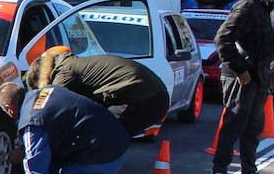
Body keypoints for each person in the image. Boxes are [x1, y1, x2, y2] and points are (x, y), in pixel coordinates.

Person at [0, 82, 131, 174]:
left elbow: (35, 170)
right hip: (115, 141)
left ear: (9, 110)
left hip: (104, 158)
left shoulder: (33, 122)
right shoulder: (49, 90)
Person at [209, 0, 274, 174]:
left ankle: (248, 172)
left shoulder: (263, 8)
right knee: (234, 123)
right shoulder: (248, 6)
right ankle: (218, 170)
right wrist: (240, 68)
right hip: (241, 77)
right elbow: (223, 38)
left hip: (258, 76)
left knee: (254, 126)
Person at [27, 45, 169, 137]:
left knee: (101, 137)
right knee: (103, 134)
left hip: (146, 99)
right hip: (155, 95)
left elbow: (52, 108)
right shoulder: (73, 64)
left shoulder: (64, 72)